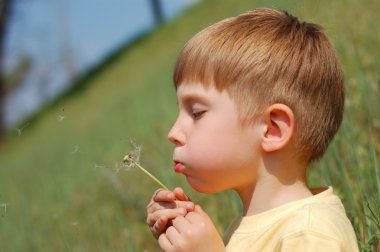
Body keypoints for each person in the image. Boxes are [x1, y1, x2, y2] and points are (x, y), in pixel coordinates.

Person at [146, 7, 359, 251]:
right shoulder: (246, 229)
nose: (173, 133)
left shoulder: (310, 234)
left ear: (271, 129)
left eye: (196, 113)